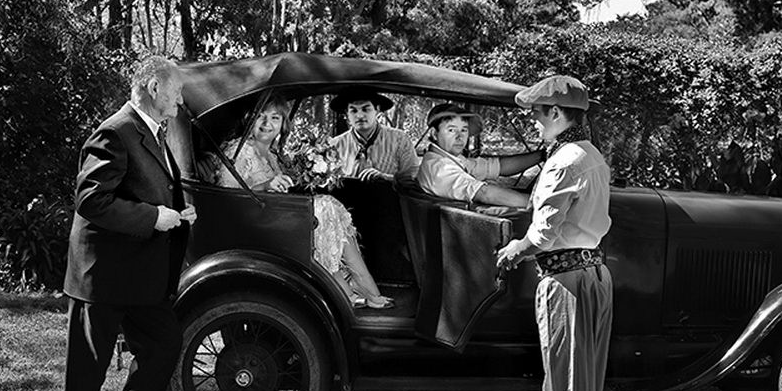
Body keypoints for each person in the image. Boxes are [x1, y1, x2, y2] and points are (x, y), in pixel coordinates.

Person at [63, 55, 197, 391]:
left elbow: (147, 190)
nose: (180, 99)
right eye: (176, 91)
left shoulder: (154, 131)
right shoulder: (115, 131)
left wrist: (176, 214)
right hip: (103, 275)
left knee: (164, 343)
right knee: (88, 369)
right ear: (155, 88)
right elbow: (92, 201)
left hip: (140, 275)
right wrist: (152, 217)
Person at [494, 75, 613, 391]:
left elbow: (543, 233)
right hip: (587, 275)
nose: (535, 124)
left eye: (539, 115)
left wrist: (513, 249)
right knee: (564, 378)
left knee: (570, 383)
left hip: (569, 282)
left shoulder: (566, 160)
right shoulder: (590, 155)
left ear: (558, 115)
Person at [216, 97, 392, 309]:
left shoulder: (274, 155)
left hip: (276, 217)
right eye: (260, 117)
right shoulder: (240, 151)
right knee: (325, 207)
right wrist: (265, 185)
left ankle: (359, 284)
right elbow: (227, 197)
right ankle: (352, 287)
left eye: (275, 118)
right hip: (255, 225)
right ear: (249, 120)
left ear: (282, 124)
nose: (267, 124)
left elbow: (286, 186)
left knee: (329, 205)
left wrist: (314, 171)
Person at [416, 102, 544, 207]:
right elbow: (484, 193)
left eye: (464, 130)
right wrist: (542, 203)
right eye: (451, 130)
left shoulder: (451, 159)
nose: (460, 137)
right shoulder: (440, 167)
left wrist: (542, 155)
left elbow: (497, 167)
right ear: (434, 134)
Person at [329, 90, 420, 183]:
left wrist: (386, 178)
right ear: (346, 114)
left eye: (365, 109)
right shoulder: (335, 145)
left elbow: (413, 178)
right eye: (353, 111)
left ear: (377, 109)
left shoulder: (399, 139)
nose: (359, 115)